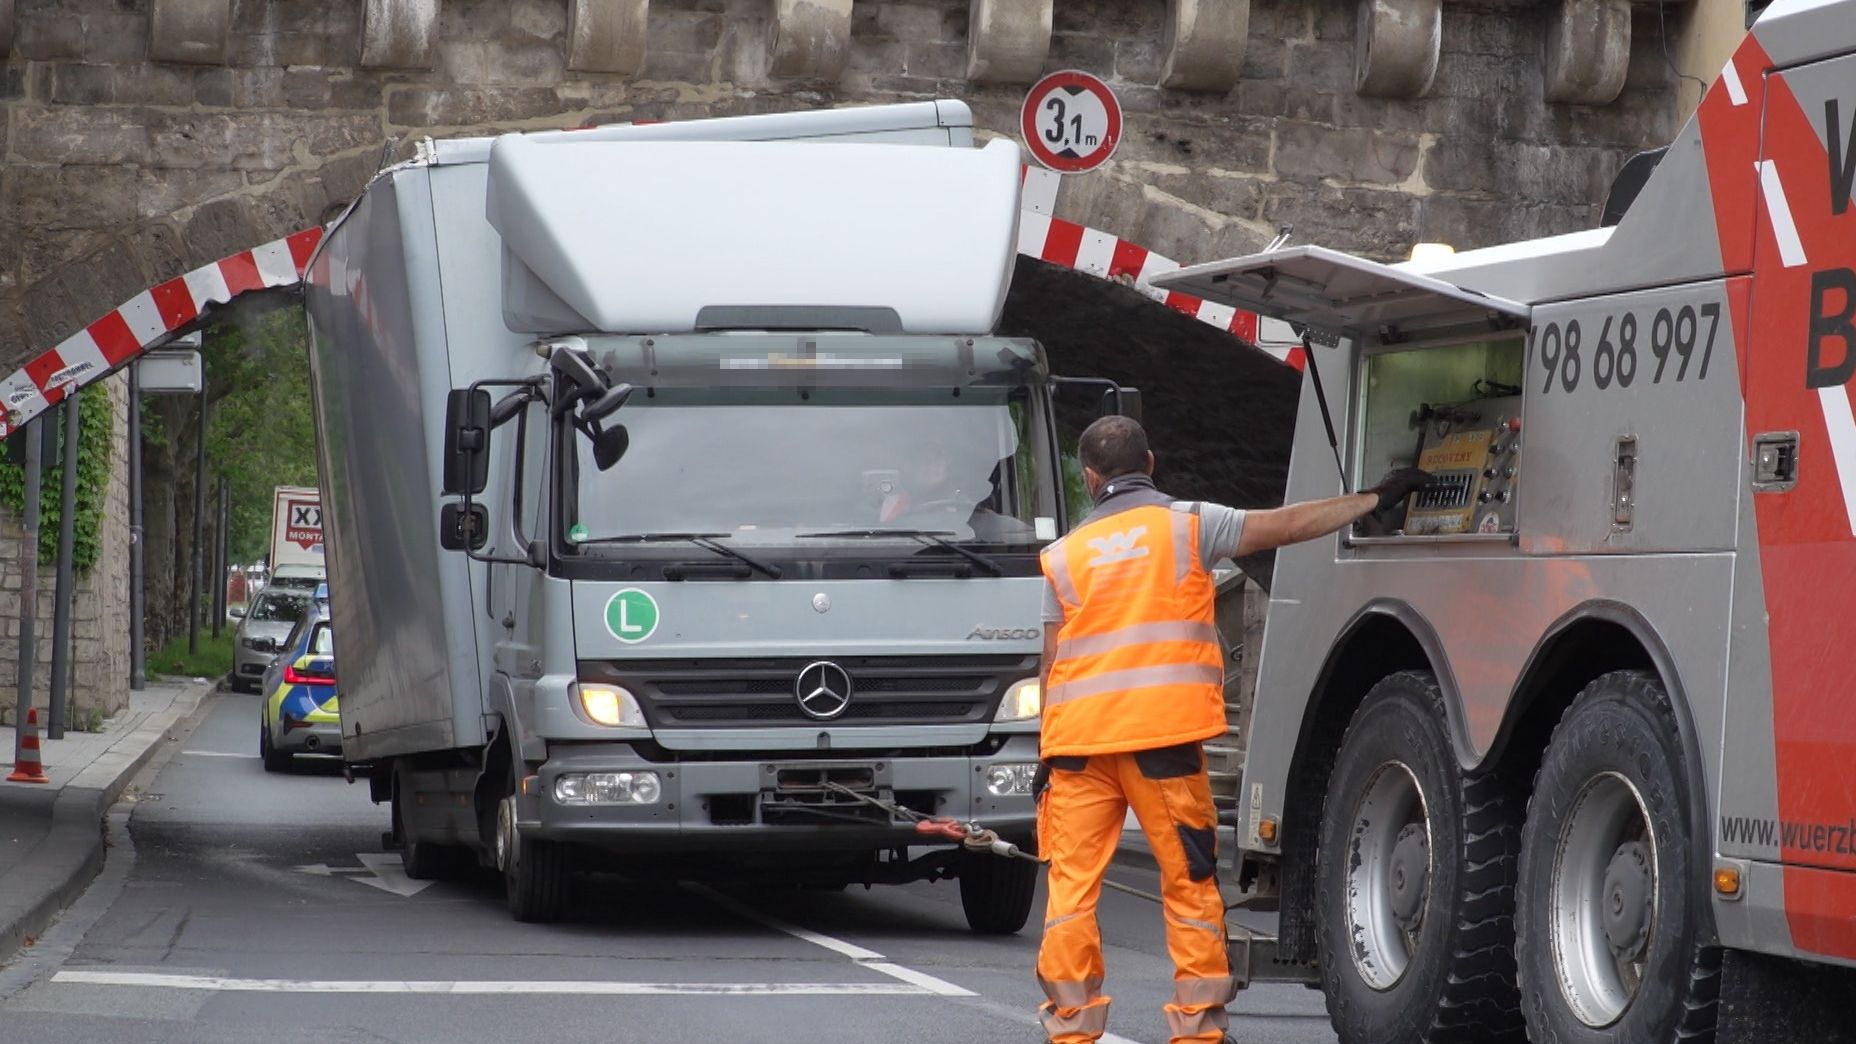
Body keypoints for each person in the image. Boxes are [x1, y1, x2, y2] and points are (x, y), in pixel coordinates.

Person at [1034, 416, 1430, 1044]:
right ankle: (1197, 1034)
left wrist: (1044, 756)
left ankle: (1071, 1034)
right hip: (1162, 745)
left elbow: (1052, 663)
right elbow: (1287, 524)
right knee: (1188, 886)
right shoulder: (1189, 524)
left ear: (1089, 478)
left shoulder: (1062, 557)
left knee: (1070, 896)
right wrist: (1372, 500)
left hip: (1077, 750)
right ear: (1152, 463)